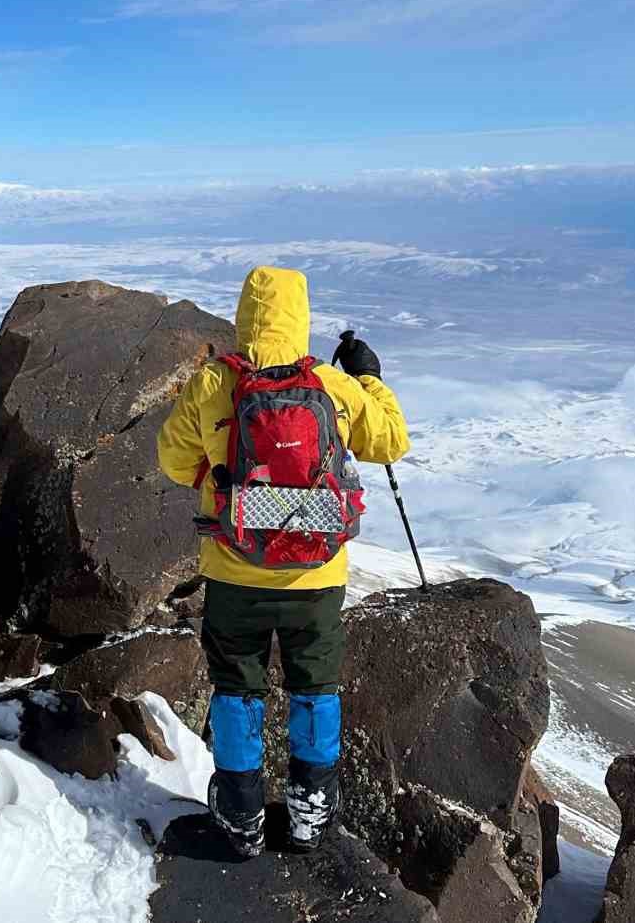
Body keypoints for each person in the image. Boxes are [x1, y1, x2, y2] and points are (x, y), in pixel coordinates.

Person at [156, 265, 410, 856]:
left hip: (233, 570)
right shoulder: (330, 386)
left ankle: (242, 813)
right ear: (302, 316)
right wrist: (369, 379)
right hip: (315, 576)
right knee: (315, 686)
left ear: (245, 313)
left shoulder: (213, 384)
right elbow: (392, 440)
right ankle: (310, 809)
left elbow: (173, 461)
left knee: (237, 687)